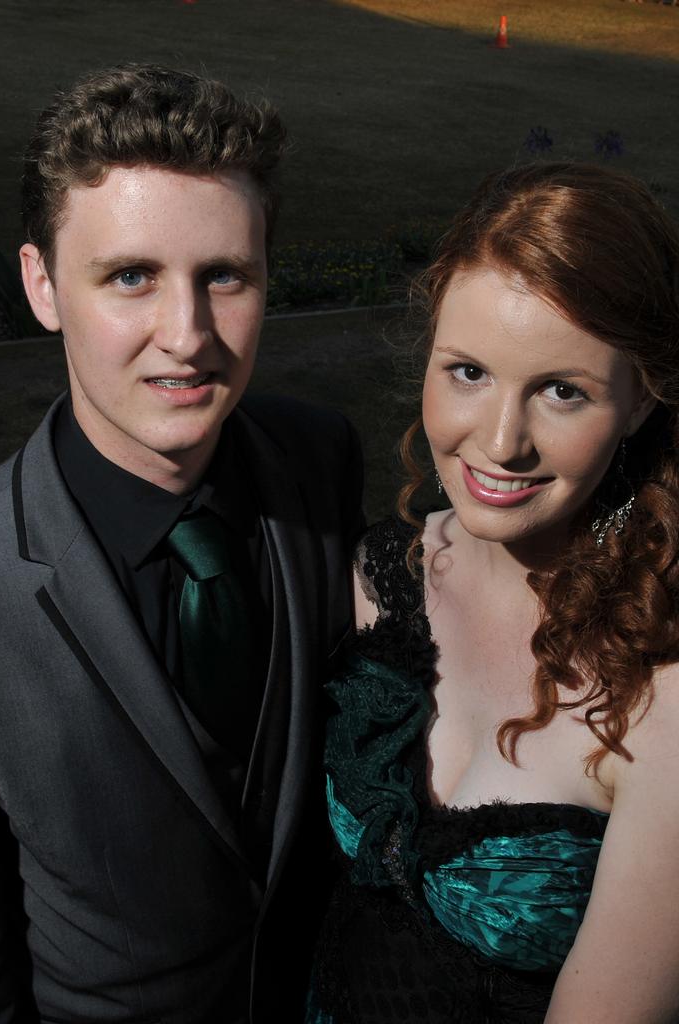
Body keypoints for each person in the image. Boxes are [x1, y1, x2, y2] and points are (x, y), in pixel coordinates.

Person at [0, 64, 364, 1023]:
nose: (188, 334)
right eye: (130, 277)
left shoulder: (322, 462)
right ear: (41, 286)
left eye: (225, 277)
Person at [307, 162, 679, 1023]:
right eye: (467, 372)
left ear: (640, 401)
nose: (501, 443)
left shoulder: (662, 689)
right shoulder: (380, 577)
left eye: (562, 391)